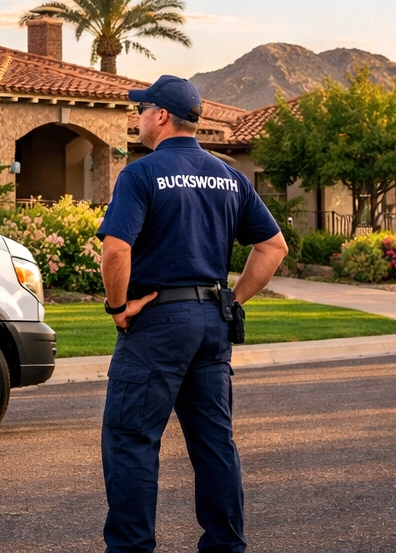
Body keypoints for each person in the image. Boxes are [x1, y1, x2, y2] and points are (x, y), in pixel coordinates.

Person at [97, 75, 288, 553]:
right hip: (210, 324)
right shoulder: (230, 176)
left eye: (142, 110)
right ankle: (226, 547)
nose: (137, 118)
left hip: (156, 323)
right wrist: (233, 300)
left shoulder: (140, 175)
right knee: (214, 444)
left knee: (132, 441)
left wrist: (119, 309)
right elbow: (272, 247)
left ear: (161, 116)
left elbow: (116, 250)